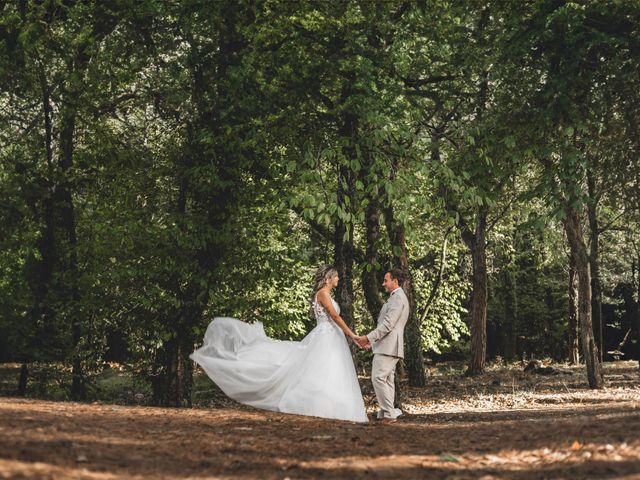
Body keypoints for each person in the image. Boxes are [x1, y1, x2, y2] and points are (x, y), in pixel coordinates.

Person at [190, 265, 368, 423]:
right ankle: (320, 407)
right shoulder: (322, 293)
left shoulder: (325, 294)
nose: (338, 279)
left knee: (330, 371)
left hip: (330, 336)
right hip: (327, 336)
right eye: (336, 276)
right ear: (329, 278)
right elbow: (335, 317)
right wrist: (353, 335)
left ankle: (334, 406)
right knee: (322, 370)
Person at [355, 269, 409, 424]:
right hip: (388, 344)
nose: (383, 283)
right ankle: (387, 413)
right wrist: (372, 341)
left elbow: (388, 324)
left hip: (389, 346)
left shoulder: (398, 298)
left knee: (378, 378)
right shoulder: (396, 297)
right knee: (387, 379)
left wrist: (368, 338)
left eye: (386, 280)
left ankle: (389, 413)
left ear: (395, 281)